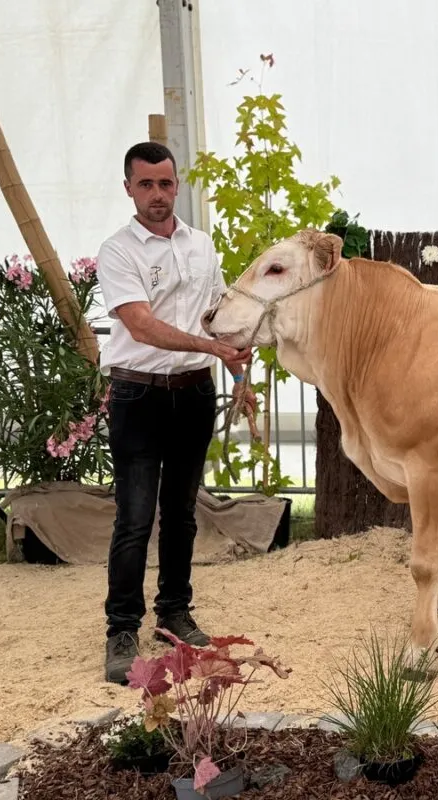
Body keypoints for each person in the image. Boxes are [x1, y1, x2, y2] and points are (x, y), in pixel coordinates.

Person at [96, 142, 256, 683]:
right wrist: (215, 351)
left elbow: (219, 318)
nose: (158, 195)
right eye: (146, 185)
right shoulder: (118, 251)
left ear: (177, 184)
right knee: (135, 518)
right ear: (129, 189)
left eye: (165, 184)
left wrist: (239, 376)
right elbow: (140, 325)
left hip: (192, 394)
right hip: (137, 395)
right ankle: (121, 629)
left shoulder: (201, 245)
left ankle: (174, 613)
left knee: (183, 513)